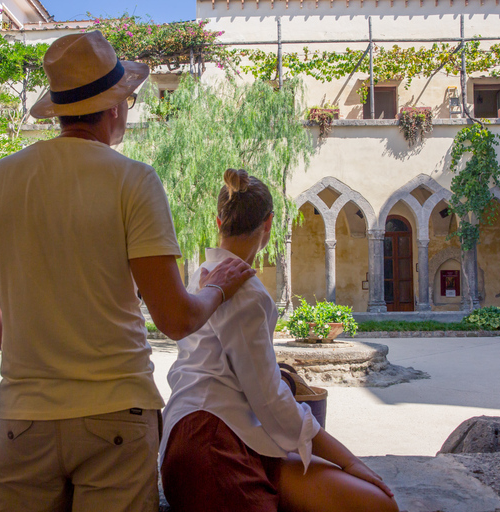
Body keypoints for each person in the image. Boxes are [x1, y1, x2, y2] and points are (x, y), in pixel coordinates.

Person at [0, 32, 255, 512]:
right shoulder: (133, 180)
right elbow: (176, 319)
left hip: (24, 419)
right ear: (116, 106)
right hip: (115, 417)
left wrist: (42, 353)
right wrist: (217, 289)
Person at [160, 169, 400, 512]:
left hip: (217, 436)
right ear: (269, 223)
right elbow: (270, 401)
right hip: (213, 444)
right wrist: (348, 461)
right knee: (378, 505)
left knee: (375, 504)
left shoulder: (203, 277)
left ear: (218, 221)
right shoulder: (244, 292)